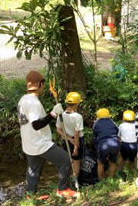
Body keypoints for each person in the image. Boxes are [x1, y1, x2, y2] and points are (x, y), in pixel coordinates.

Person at [17, 70, 78, 198]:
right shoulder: (34, 102)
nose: (44, 87)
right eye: (43, 84)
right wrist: (53, 114)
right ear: (40, 84)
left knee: (33, 170)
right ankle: (63, 190)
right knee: (65, 160)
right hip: (40, 143)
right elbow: (36, 125)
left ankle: (31, 195)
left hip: (29, 143)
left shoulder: (23, 99)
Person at [56, 92, 85, 190]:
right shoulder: (78, 117)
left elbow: (58, 130)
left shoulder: (61, 115)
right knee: (76, 163)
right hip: (77, 141)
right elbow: (76, 134)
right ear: (77, 104)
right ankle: (75, 183)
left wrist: (68, 139)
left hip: (66, 141)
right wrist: (76, 147)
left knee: (69, 161)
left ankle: (67, 182)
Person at [93, 108, 119, 180]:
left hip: (103, 145)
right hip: (115, 144)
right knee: (112, 163)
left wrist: (97, 147)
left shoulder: (96, 124)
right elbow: (117, 133)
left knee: (100, 163)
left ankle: (100, 180)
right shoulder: (113, 122)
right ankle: (111, 179)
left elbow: (95, 138)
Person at [117, 110, 137, 180]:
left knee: (122, 159)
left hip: (124, 145)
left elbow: (119, 137)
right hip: (134, 145)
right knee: (132, 160)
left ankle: (119, 173)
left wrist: (119, 146)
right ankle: (131, 173)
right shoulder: (136, 125)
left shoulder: (121, 125)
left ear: (123, 118)